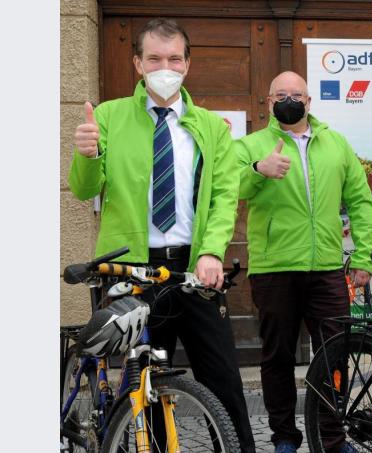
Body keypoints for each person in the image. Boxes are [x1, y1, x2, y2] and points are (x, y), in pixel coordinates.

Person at [68, 18, 256, 452]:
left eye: (174, 58)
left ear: (188, 64)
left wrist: (212, 252)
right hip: (132, 271)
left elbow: (225, 196)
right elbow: (84, 189)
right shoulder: (110, 116)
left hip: (194, 270)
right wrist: (87, 154)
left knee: (224, 382)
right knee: (143, 384)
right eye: (154, 58)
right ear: (138, 63)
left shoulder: (211, 126)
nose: (164, 66)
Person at [235, 71, 372, 453]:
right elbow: (228, 187)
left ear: (310, 102)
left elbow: (361, 201)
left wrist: (362, 256)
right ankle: (284, 437)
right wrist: (258, 171)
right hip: (274, 267)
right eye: (281, 94)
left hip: (328, 266)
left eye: (297, 94)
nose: (289, 100)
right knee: (277, 356)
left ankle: (331, 437)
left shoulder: (336, 144)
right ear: (268, 102)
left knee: (334, 353)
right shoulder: (251, 145)